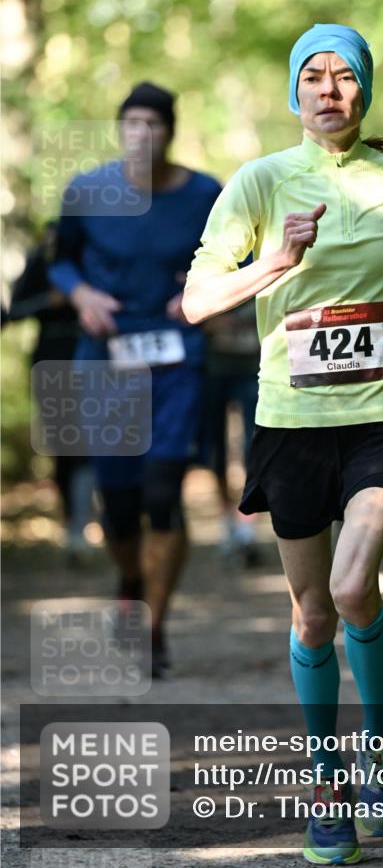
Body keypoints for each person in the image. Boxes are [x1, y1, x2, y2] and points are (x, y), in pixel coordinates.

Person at [183, 24, 383, 864]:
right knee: (310, 615)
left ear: (364, 90)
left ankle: (378, 754)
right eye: (314, 76)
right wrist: (276, 261)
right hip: (290, 424)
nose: (330, 89)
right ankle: (327, 776)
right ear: (294, 92)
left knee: (349, 590)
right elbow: (198, 301)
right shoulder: (261, 182)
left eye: (345, 76)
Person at [49, 82, 222, 677]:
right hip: (106, 360)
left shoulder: (206, 194)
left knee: (164, 494)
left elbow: (239, 259)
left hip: (178, 361)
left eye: (152, 123)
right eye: (130, 123)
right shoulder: (88, 191)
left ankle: (153, 627)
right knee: (119, 506)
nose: (140, 134)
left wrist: (198, 293)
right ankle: (128, 576)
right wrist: (81, 293)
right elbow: (60, 257)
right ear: (119, 131)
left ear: (170, 131)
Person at [8, 220, 96, 562]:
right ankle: (73, 528)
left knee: (95, 443)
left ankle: (91, 523)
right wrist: (52, 301)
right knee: (65, 446)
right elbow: (14, 310)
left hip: (96, 361)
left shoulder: (98, 256)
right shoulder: (42, 257)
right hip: (51, 363)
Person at [200, 295, 262, 567]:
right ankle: (228, 524)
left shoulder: (269, 252)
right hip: (212, 369)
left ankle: (247, 529)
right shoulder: (204, 256)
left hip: (255, 367)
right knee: (216, 451)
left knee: (255, 448)